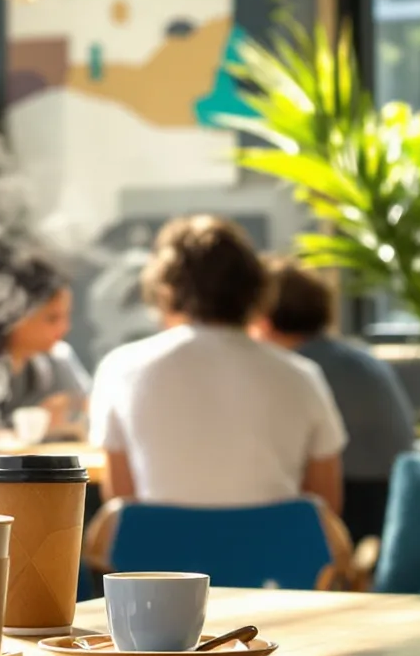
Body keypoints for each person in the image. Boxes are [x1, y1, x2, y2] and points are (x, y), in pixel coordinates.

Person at [89, 216, 347, 518]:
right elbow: (325, 511)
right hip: (273, 563)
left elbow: (122, 508)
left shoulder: (121, 369)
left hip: (161, 561)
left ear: (166, 289)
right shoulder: (302, 376)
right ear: (256, 288)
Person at [251, 258, 417, 544]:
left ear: (263, 321)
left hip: (350, 511)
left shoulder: (294, 373)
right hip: (397, 505)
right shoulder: (360, 358)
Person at [0, 252, 90, 442]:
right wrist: (25, 431)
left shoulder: (58, 360)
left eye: (67, 316)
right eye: (52, 318)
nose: (64, 327)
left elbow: (90, 414)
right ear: (14, 314)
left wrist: (74, 408)